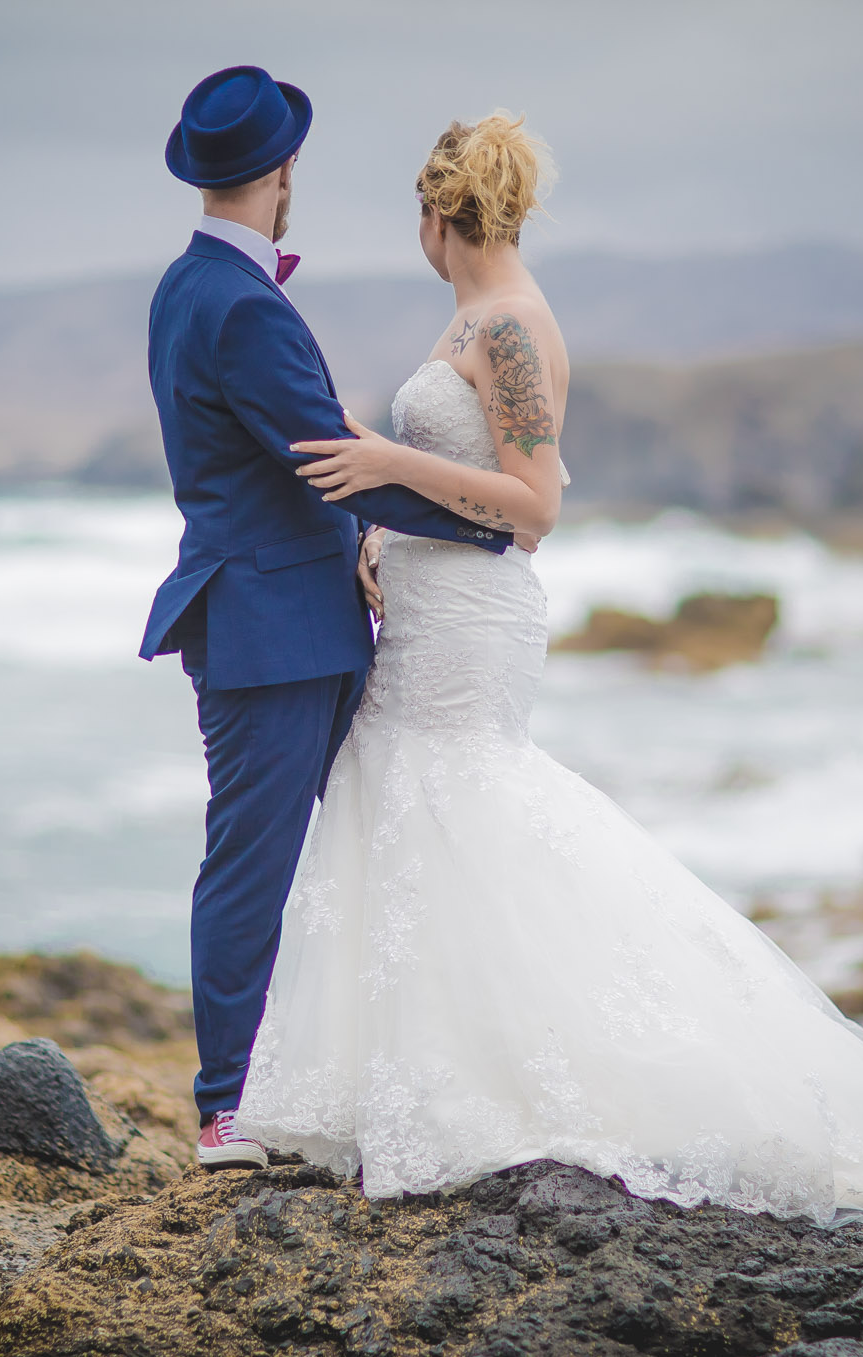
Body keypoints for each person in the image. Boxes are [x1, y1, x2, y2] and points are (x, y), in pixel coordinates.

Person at [234, 112, 863, 1229]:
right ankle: (414, 1085)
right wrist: (381, 535)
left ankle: (520, 1080)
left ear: (437, 214)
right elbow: (464, 476)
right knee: (405, 805)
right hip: (431, 607)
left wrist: (386, 461)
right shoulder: (473, 319)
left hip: (473, 628)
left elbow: (536, 507)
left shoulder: (511, 327)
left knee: (462, 803)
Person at [144, 66, 514, 1169]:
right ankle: (225, 1106)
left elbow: (301, 460)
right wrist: (491, 522)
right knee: (253, 865)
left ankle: (341, 1077)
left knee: (356, 854)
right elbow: (330, 460)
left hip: (290, 616)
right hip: (274, 631)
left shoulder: (188, 286)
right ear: (285, 171)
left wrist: (379, 536)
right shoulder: (240, 304)